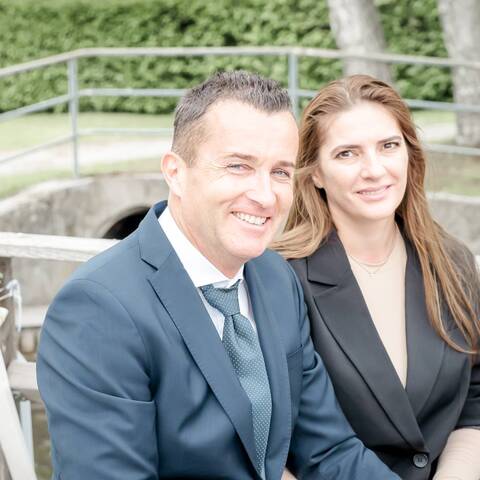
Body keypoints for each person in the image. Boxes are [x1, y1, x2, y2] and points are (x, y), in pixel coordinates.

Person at [37, 71, 398, 480]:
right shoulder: (97, 308)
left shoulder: (277, 280)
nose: (265, 195)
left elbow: (330, 452)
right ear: (175, 172)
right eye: (239, 166)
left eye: (280, 172)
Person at [274, 74, 480, 480]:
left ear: (409, 154)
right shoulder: (280, 277)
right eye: (347, 153)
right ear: (315, 172)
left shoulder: (452, 262)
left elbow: (474, 399)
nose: (374, 169)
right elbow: (265, 435)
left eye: (388, 146)